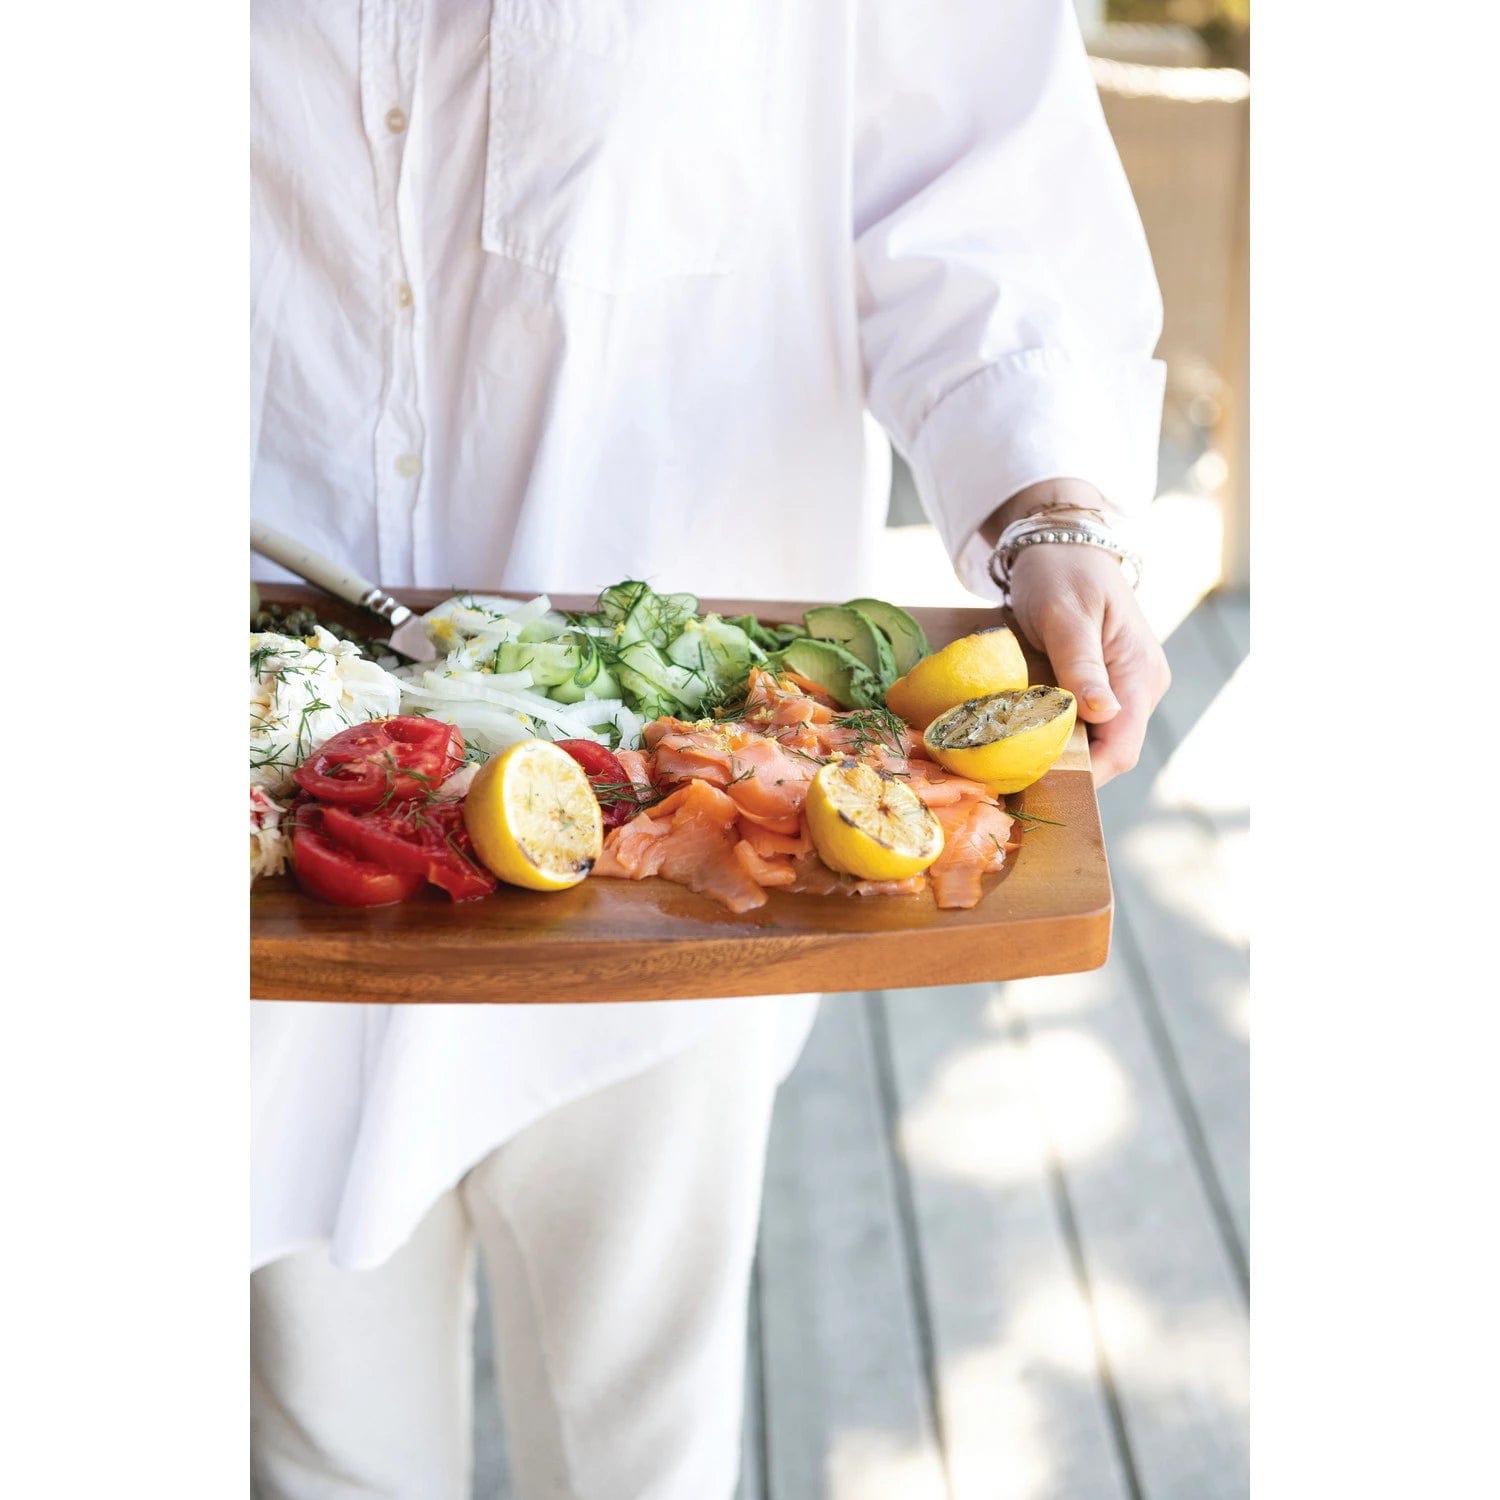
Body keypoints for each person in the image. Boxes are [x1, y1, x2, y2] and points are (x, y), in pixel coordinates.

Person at [249, 2, 1171, 1497]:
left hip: (664, 864)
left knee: (634, 1449)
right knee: (321, 1447)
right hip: (278, 806)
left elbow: (976, 189)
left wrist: (1050, 513)